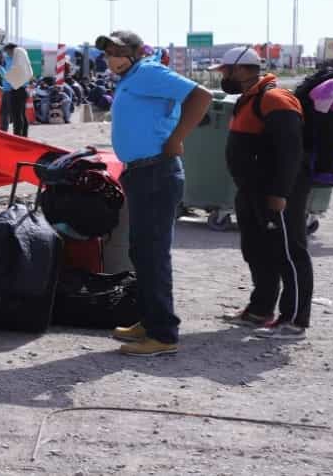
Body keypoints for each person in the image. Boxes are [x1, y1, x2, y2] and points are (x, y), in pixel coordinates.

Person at [95, 30, 212, 356]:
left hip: (157, 171)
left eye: (117, 52)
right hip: (141, 172)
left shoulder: (148, 71)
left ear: (134, 52)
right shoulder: (131, 77)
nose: (111, 59)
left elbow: (201, 96)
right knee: (141, 251)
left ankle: (163, 334)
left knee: (154, 254)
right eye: (108, 54)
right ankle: (148, 320)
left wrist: (177, 138)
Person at [213, 47, 315, 339]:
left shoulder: (275, 98)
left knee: (288, 252)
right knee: (257, 250)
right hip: (252, 190)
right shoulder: (250, 98)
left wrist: (280, 193)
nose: (224, 77)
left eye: (226, 71)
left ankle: (294, 320)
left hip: (278, 192)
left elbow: (290, 150)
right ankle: (260, 310)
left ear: (243, 70)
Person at [0, 43, 31, 136]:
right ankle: (23, 136)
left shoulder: (17, 61)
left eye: (8, 51)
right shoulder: (10, 60)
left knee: (17, 116)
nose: (7, 53)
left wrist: (2, 72)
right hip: (15, 89)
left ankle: (18, 136)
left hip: (17, 89)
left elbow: (12, 76)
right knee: (20, 114)